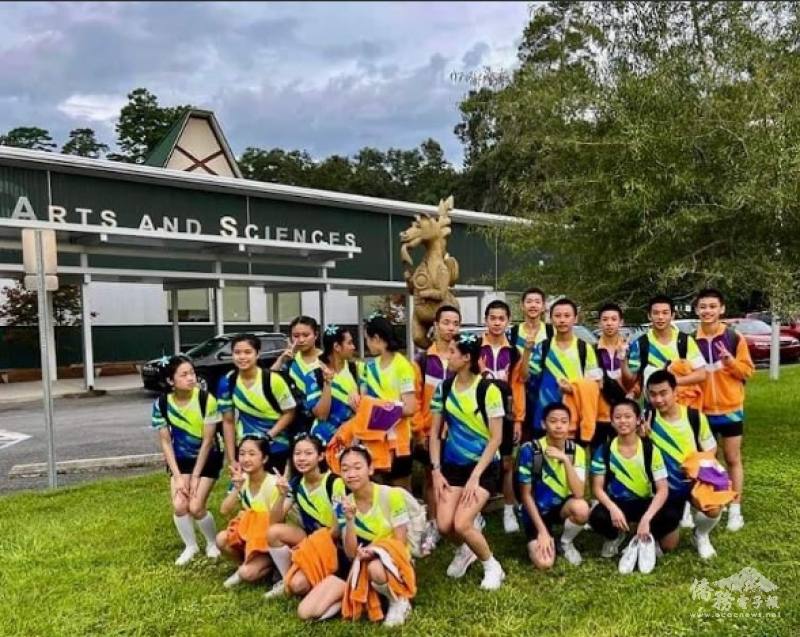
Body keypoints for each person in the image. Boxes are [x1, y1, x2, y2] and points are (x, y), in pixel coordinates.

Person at [297, 446, 415, 626]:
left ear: (370, 469)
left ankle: (398, 601)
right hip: (356, 564)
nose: (351, 474)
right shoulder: (344, 503)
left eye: (357, 467)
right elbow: (351, 553)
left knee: (375, 568)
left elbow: (400, 543)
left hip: (390, 562)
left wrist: (375, 552)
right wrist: (350, 520)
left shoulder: (391, 495)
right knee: (305, 612)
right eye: (345, 469)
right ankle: (354, 596)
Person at [429, 333, 506, 589]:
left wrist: (475, 476)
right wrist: (436, 470)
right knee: (444, 525)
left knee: (461, 523)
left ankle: (491, 565)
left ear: (467, 358)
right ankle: (466, 549)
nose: (447, 355)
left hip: (484, 468)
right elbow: (435, 433)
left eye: (452, 351)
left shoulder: (489, 390)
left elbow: (496, 439)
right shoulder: (444, 388)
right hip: (452, 467)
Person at [641, 370, 722, 559]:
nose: (658, 399)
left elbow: (711, 449)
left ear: (675, 392)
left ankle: (700, 535)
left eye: (663, 393)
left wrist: (697, 468)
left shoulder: (694, 417)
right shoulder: (647, 418)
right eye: (653, 394)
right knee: (668, 547)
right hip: (666, 488)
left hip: (693, 482)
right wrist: (642, 438)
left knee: (713, 508)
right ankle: (667, 524)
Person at [589, 399, 678, 570]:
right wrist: (612, 508)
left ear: (638, 420)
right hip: (617, 502)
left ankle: (647, 538)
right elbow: (597, 488)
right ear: (612, 421)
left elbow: (662, 489)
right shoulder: (605, 450)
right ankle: (615, 537)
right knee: (596, 517)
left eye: (628, 416)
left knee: (672, 515)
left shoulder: (650, 450)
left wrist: (647, 518)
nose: (623, 421)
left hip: (644, 501)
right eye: (618, 417)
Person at [151, 354, 223, 566]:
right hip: (180, 460)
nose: (191, 378)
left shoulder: (206, 399)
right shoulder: (162, 404)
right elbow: (165, 442)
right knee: (180, 505)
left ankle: (212, 543)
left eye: (192, 373)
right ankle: (190, 546)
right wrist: (178, 476)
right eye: (184, 375)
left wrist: (195, 476)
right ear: (170, 381)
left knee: (196, 506)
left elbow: (209, 440)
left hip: (207, 457)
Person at [693, 289, 754, 532]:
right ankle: (712, 502)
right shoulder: (689, 340)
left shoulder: (733, 337)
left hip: (730, 409)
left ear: (722, 309)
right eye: (703, 307)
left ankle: (735, 509)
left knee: (732, 459)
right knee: (707, 462)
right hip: (702, 411)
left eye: (712, 306)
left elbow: (747, 372)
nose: (707, 311)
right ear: (697, 310)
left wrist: (730, 362)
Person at [265, 432, 346, 600]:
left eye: (308, 453)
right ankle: (286, 576)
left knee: (299, 586)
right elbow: (274, 522)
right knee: (273, 532)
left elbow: (336, 531)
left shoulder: (334, 483)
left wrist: (307, 550)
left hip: (333, 543)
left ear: (321, 456)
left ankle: (310, 576)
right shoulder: (296, 484)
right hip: (311, 537)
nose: (302, 458)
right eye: (297, 453)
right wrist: (281, 495)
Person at [515, 403, 589, 568]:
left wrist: (565, 460)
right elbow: (526, 495)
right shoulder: (531, 450)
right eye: (553, 421)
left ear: (570, 425)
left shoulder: (577, 451)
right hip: (535, 509)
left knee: (582, 508)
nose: (558, 426)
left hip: (561, 507)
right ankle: (542, 534)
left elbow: (578, 493)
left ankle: (565, 542)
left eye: (564, 421)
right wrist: (542, 531)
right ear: (543, 424)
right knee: (544, 564)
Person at [412, 304, 461, 552]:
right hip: (431, 432)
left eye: (455, 323)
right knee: (432, 478)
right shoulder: (422, 360)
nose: (450, 328)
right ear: (436, 325)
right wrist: (420, 430)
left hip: (458, 433)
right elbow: (417, 398)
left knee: (455, 477)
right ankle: (433, 522)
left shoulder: (463, 359)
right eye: (446, 322)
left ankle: (455, 522)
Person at [218, 334, 297, 473]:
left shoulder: (274, 380)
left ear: (258, 354)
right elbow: (228, 422)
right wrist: (232, 459)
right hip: (246, 448)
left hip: (276, 447)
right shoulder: (227, 382)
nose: (242, 357)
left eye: (248, 352)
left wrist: (268, 436)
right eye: (237, 352)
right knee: (244, 492)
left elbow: (289, 413)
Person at [478, 299, 526, 534]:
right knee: (478, 458)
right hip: (478, 412)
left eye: (501, 318)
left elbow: (517, 386)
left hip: (505, 413)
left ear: (508, 322)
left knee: (507, 462)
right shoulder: (476, 347)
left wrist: (517, 419)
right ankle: (476, 511)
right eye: (492, 318)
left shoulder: (514, 351)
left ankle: (509, 508)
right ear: (485, 320)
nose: (497, 323)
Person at [529, 298, 603, 443]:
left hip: (574, 418)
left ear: (575, 319)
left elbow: (596, 385)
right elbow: (528, 378)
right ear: (550, 319)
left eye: (567, 316)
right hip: (545, 414)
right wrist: (526, 351)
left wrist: (573, 389)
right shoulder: (542, 347)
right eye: (557, 316)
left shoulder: (584, 348)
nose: (562, 320)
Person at [360, 314, 417, 491]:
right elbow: (363, 401)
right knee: (376, 490)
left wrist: (382, 410)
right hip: (373, 438)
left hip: (398, 439)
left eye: (367, 340)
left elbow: (410, 407)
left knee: (400, 491)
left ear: (376, 338)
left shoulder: (403, 366)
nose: (367, 344)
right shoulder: (367, 367)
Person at [216, 436, 280, 588]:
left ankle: (272, 566)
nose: (246, 459)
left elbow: (277, 521)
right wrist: (237, 488)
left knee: (247, 574)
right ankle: (244, 564)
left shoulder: (273, 484)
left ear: (264, 459)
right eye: (242, 454)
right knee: (221, 539)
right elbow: (224, 510)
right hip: (248, 536)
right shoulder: (242, 479)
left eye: (252, 454)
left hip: (267, 543)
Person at [623, 295, 707, 392]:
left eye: (665, 313)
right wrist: (623, 359)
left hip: (682, 404)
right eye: (656, 313)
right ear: (649, 316)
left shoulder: (685, 340)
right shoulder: (640, 344)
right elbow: (631, 379)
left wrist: (671, 381)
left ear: (672, 315)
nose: (660, 317)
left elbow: (701, 374)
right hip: (653, 405)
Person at [305, 325, 360, 446]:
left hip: (352, 440)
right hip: (323, 439)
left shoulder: (358, 370)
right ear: (337, 347)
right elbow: (321, 415)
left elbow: (368, 406)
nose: (353, 347)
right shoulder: (314, 375)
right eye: (349, 343)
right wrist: (327, 383)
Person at [510, 287, 553, 442]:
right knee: (523, 441)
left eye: (537, 302)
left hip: (545, 393)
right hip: (520, 391)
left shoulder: (551, 331)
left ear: (543, 306)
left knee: (545, 438)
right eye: (529, 302)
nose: (533, 305)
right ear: (522, 306)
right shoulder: (513, 333)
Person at [593, 303, 634, 454]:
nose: (609, 323)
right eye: (605, 319)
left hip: (624, 412)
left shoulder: (631, 349)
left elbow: (636, 380)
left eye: (613, 319)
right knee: (598, 456)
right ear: (599, 323)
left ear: (621, 322)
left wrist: (633, 392)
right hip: (599, 413)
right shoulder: (591, 349)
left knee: (624, 453)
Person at [272, 316, 322, 434]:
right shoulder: (289, 362)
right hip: (295, 423)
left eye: (306, 335)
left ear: (316, 335)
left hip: (322, 421)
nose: (301, 340)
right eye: (296, 336)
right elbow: (268, 381)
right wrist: (281, 360)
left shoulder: (326, 360)